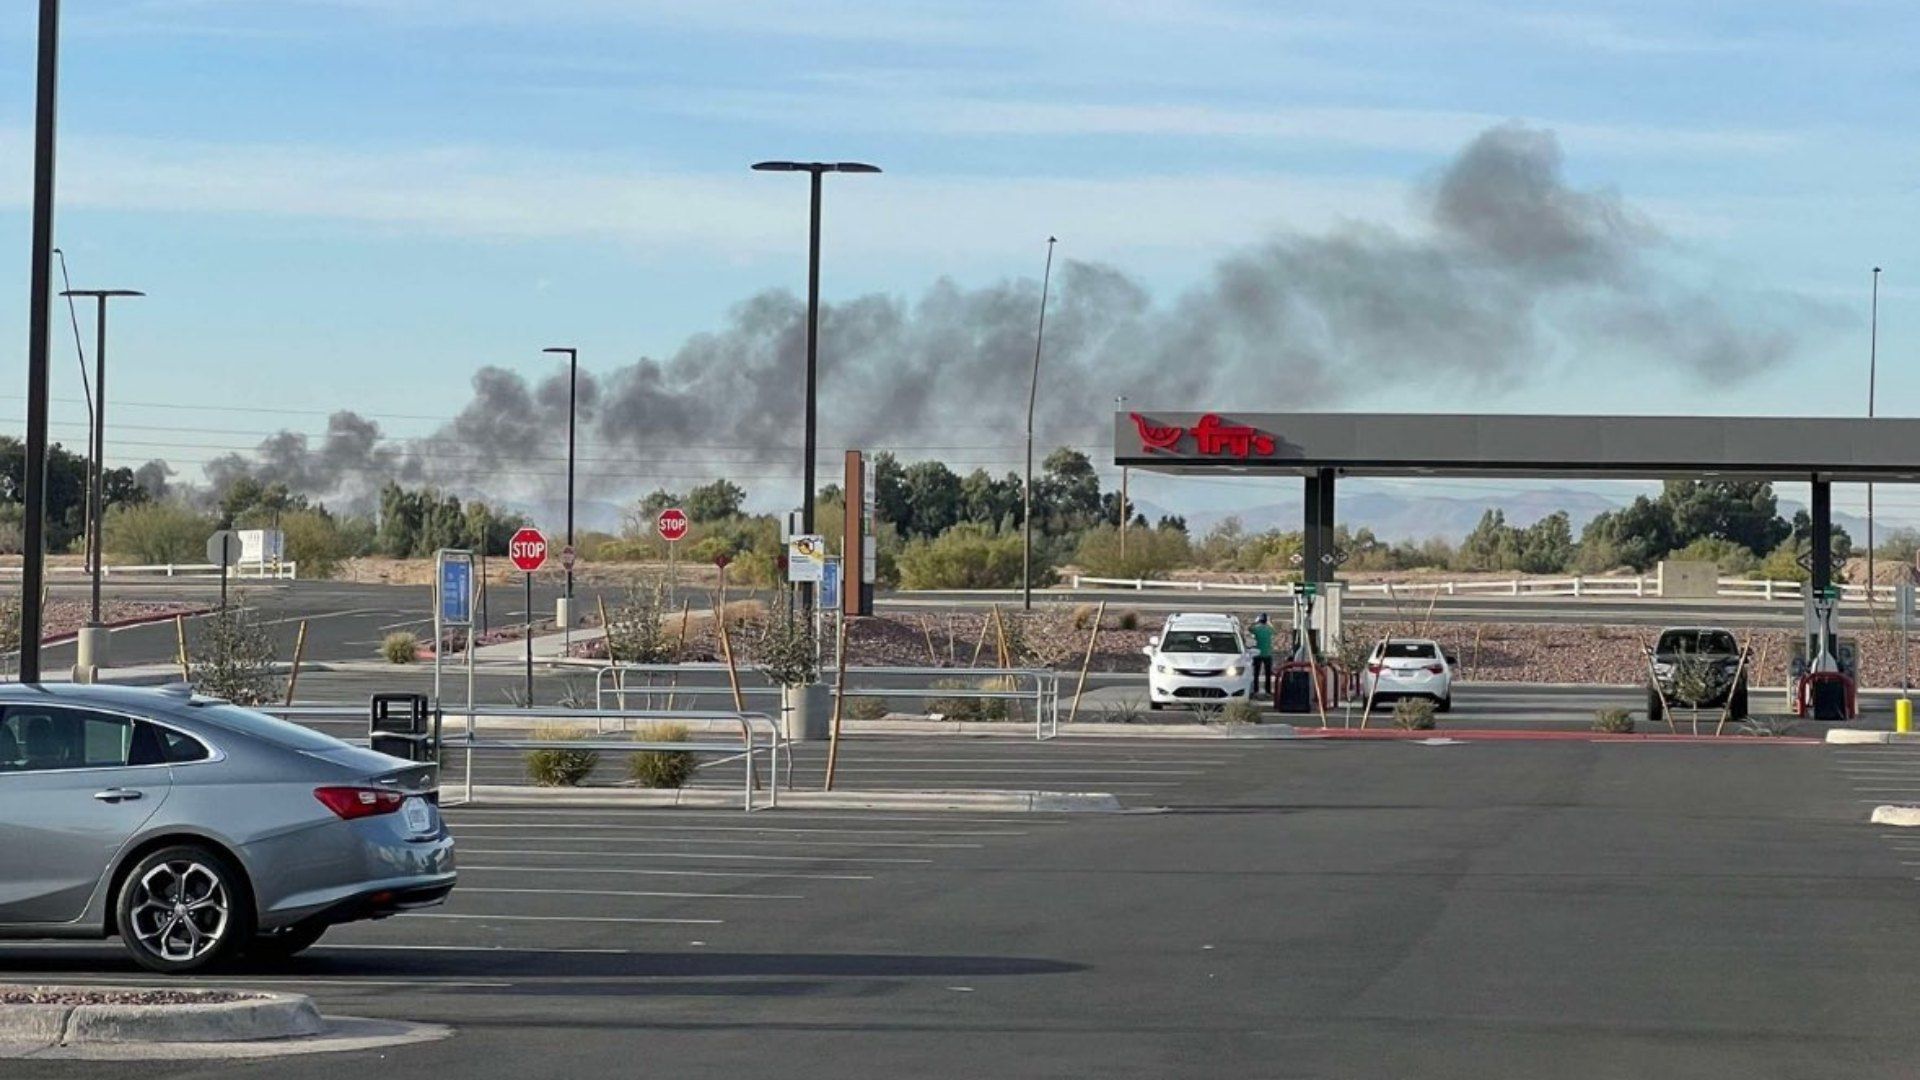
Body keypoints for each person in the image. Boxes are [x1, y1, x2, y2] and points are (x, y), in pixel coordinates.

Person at [1249, 614, 1276, 699]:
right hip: (1267, 654)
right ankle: (1268, 691)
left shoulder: (1256, 629)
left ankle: (1255, 691)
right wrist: (1270, 623)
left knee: (1256, 674)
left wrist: (1254, 622)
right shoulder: (1269, 629)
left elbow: (1249, 629)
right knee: (1268, 674)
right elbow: (1275, 632)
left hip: (1257, 654)